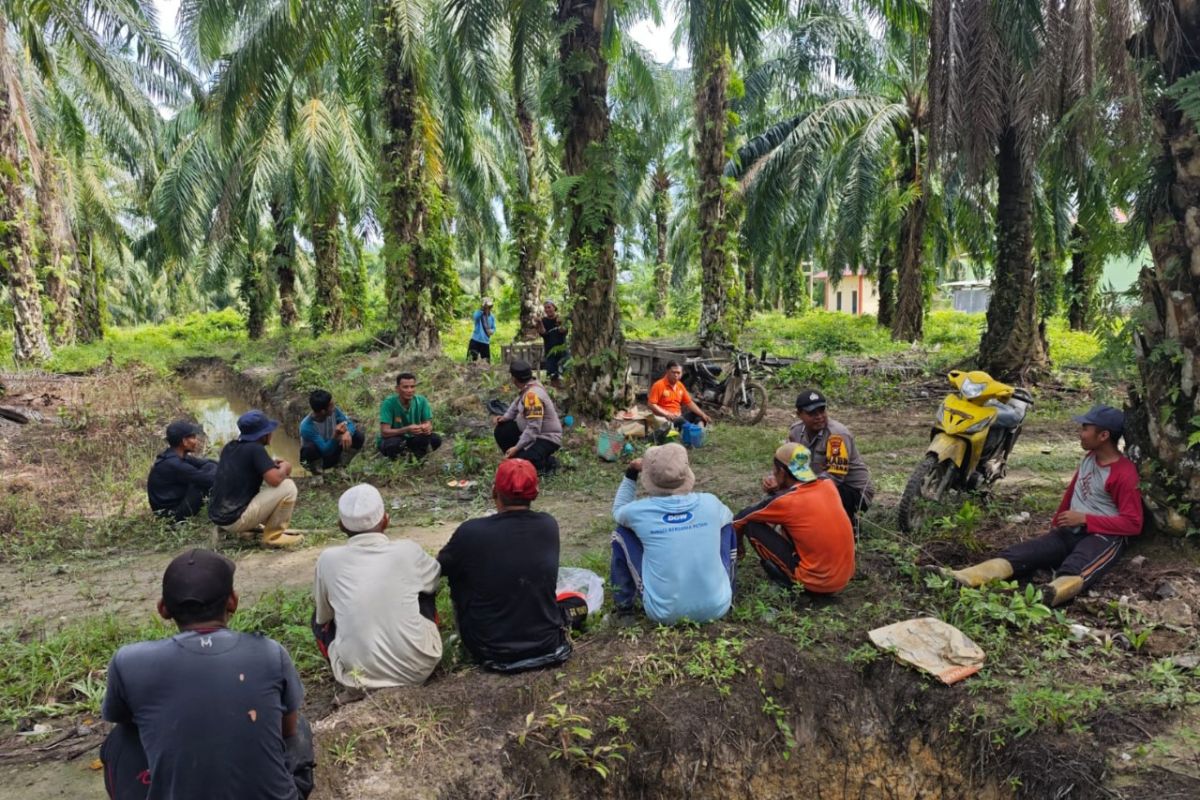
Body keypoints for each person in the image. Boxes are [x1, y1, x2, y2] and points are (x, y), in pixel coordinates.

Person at [100, 549, 314, 800]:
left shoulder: (129, 661)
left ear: (163, 609)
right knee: (298, 724)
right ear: (233, 601)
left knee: (121, 739)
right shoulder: (269, 652)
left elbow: (123, 719)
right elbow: (287, 731)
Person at [942, 405, 1143, 607]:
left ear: (1103, 436)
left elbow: (1133, 523)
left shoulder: (1124, 473)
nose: (1080, 434)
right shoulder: (1090, 458)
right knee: (1021, 553)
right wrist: (1058, 522)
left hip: (1103, 537)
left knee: (1078, 566)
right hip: (1070, 530)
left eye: (1085, 429)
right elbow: (1074, 490)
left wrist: (1085, 519)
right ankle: (962, 577)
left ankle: (1050, 596)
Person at [437, 459, 572, 672]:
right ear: (535, 493)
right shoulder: (548, 525)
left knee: (460, 573)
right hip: (546, 643)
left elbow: (437, 569)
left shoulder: (471, 532)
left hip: (488, 649)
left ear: (494, 491)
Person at [311, 484, 442, 688]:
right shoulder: (408, 551)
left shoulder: (328, 560)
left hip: (359, 678)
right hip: (419, 669)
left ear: (340, 525)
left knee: (318, 618)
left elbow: (323, 617)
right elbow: (434, 580)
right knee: (424, 589)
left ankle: (358, 665)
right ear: (386, 520)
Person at [610, 443, 735, 624]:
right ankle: (726, 589)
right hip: (718, 607)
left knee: (621, 533)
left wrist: (631, 472)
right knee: (725, 525)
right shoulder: (710, 503)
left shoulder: (638, 512)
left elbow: (618, 510)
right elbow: (727, 521)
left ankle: (624, 609)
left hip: (664, 613)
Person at [734, 443, 856, 593]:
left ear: (781, 472)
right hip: (842, 579)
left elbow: (740, 519)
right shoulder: (828, 485)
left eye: (774, 470)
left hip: (815, 582)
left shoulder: (787, 501)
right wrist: (778, 490)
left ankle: (786, 582)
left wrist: (738, 549)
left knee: (751, 524)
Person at [770, 389, 874, 527]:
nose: (819, 416)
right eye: (812, 413)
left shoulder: (837, 435)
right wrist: (775, 480)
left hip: (852, 490)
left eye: (822, 410)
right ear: (799, 414)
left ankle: (845, 528)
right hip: (817, 484)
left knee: (813, 499)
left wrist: (800, 489)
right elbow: (787, 462)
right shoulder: (795, 432)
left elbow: (836, 477)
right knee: (780, 491)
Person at [208, 410, 302, 548]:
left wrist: (271, 465)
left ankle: (250, 527)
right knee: (288, 487)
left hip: (220, 517)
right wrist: (286, 467)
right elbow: (274, 480)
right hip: (235, 520)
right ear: (264, 435)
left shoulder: (230, 447)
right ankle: (273, 537)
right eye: (269, 431)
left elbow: (249, 466)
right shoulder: (255, 449)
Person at [493, 360, 561, 474]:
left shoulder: (532, 397)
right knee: (502, 429)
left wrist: (517, 447)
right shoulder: (530, 386)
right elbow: (516, 404)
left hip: (547, 438)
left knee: (526, 465)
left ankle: (548, 463)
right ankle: (517, 459)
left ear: (514, 379)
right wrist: (504, 418)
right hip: (534, 434)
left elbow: (534, 428)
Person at [147, 421, 218, 522]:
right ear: (184, 441)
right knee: (203, 483)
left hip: (176, 503)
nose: (196, 441)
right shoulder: (175, 464)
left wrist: (221, 466)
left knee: (209, 467)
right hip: (171, 516)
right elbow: (211, 480)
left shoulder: (174, 455)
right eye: (193, 437)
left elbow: (206, 462)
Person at [378, 372, 442, 459]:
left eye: (412, 387)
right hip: (394, 438)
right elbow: (385, 432)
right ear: (397, 389)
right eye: (405, 387)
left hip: (413, 437)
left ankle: (416, 458)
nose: (409, 390)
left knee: (435, 439)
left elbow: (428, 423)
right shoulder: (389, 403)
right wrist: (406, 429)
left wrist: (426, 428)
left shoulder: (421, 401)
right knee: (392, 445)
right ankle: (398, 461)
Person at [298, 389, 364, 473]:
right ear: (323, 411)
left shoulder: (334, 411)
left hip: (334, 453)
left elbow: (349, 423)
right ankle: (317, 473)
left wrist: (348, 432)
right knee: (309, 449)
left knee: (358, 436)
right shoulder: (306, 427)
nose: (334, 407)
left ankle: (341, 466)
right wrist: (336, 435)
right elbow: (325, 450)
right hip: (320, 457)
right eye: (331, 405)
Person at [647, 361, 712, 428]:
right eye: (673, 372)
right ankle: (693, 430)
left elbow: (689, 403)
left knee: (698, 415)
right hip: (664, 419)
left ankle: (699, 431)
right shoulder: (658, 385)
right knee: (680, 420)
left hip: (678, 417)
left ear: (682, 373)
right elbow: (651, 404)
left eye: (678, 373)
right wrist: (666, 414)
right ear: (667, 372)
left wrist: (703, 415)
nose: (676, 375)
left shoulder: (680, 385)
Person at [535, 300, 568, 386]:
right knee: (552, 375)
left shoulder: (561, 318)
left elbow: (563, 331)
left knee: (566, 373)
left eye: (549, 307)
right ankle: (555, 392)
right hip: (550, 351)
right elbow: (543, 333)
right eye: (545, 308)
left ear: (554, 307)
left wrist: (560, 323)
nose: (547, 309)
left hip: (562, 350)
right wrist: (539, 323)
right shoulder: (543, 321)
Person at [468, 298, 496, 362]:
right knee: (471, 361)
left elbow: (493, 328)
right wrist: (482, 309)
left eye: (488, 307)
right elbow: (475, 317)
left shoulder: (492, 317)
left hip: (485, 342)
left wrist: (492, 331)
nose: (487, 308)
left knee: (486, 362)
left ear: (491, 307)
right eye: (485, 307)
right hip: (475, 341)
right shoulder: (479, 314)